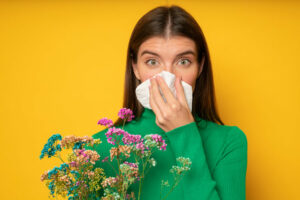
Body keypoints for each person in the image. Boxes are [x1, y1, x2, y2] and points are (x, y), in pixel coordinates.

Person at [90, 5, 247, 200]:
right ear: (135, 67)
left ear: (200, 67)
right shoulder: (99, 149)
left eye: (183, 61)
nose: (168, 76)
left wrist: (184, 133)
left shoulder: (228, 142)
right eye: (152, 62)